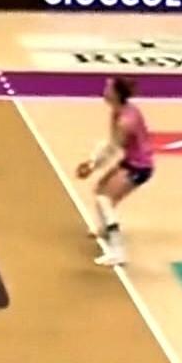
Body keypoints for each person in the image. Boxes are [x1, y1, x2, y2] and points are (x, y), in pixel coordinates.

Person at [76, 77, 154, 268]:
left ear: (116, 94)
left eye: (108, 89)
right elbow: (111, 143)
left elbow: (113, 148)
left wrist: (93, 166)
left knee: (104, 199)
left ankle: (118, 252)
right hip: (131, 161)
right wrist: (92, 161)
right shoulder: (119, 111)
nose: (105, 91)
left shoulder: (126, 121)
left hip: (139, 167)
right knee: (100, 188)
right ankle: (104, 228)